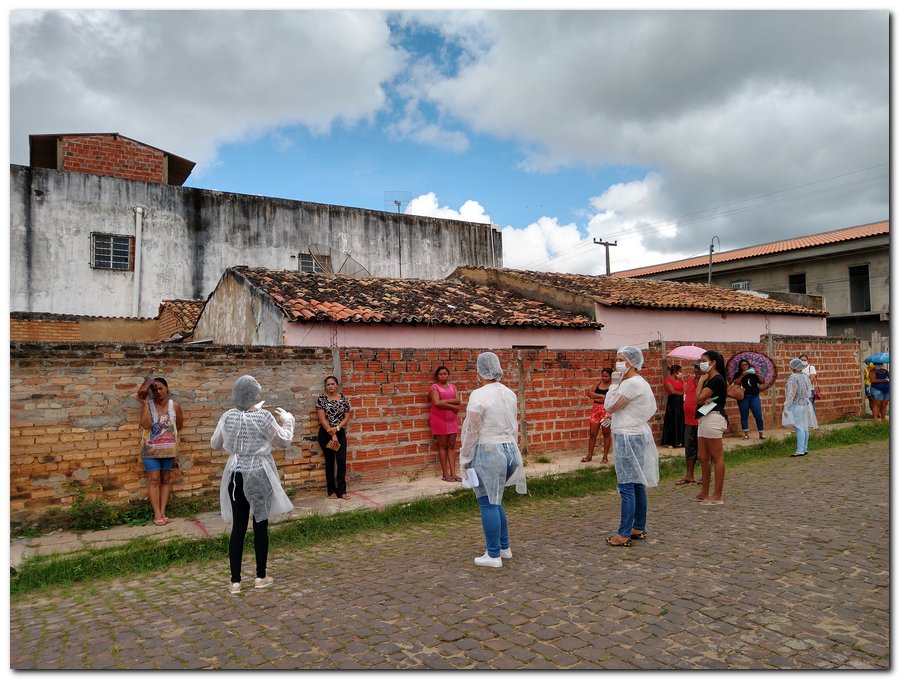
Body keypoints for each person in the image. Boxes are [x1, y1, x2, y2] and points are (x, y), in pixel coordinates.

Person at [211, 375, 295, 594]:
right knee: (260, 524)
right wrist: (288, 418)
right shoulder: (264, 417)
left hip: (235, 474)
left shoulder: (227, 416)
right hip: (259, 473)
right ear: (253, 395)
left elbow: (216, 443)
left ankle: (235, 581)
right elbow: (283, 440)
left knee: (238, 527)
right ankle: (260, 576)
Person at [459, 352, 527, 568]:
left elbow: (472, 429)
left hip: (488, 450)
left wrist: (465, 456)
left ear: (480, 370)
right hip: (509, 451)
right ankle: (504, 547)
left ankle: (493, 554)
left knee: (487, 501)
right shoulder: (509, 393)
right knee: (496, 499)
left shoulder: (479, 395)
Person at [602, 346, 660, 547]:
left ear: (632, 362)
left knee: (627, 485)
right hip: (634, 433)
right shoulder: (639, 382)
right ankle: (638, 526)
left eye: (621, 359)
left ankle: (624, 533)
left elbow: (610, 405)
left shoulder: (631, 384)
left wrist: (613, 385)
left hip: (628, 437)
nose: (617, 363)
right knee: (636, 483)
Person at [137, 377, 184, 526]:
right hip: (150, 450)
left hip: (168, 450)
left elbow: (179, 425)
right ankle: (157, 513)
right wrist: (144, 404)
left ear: (167, 389)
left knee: (165, 480)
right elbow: (145, 425)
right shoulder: (148, 405)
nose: (158, 392)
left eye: (160, 388)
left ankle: (163, 512)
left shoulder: (174, 405)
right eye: (154, 390)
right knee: (154, 479)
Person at [694, 350, 728, 506]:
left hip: (713, 417)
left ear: (713, 362)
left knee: (717, 456)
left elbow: (699, 399)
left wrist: (700, 381)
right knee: (702, 456)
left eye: (704, 360)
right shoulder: (711, 379)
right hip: (704, 417)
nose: (701, 363)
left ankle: (717, 495)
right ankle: (704, 492)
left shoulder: (715, 379)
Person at [316, 376, 353, 500]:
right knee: (330, 462)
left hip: (339, 432)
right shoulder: (322, 399)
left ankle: (342, 491)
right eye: (328, 384)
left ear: (337, 385)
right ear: (325, 386)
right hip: (326, 433)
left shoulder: (344, 399)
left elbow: (346, 417)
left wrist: (337, 429)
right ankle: (331, 491)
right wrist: (332, 434)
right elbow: (322, 419)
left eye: (332, 384)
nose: (330, 386)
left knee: (341, 461)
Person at [429, 366, 462, 482]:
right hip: (439, 419)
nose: (443, 376)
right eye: (440, 374)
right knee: (443, 446)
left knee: (451, 446)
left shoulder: (453, 387)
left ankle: (454, 473)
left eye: (445, 374)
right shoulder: (434, 387)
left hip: (452, 419)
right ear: (437, 376)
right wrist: (453, 406)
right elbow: (437, 403)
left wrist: (445, 401)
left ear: (448, 375)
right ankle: (445, 474)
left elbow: (459, 400)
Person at [676, 362, 702, 486]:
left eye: (700, 367)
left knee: (703, 450)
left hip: (701, 420)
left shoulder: (707, 381)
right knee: (689, 447)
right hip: (688, 420)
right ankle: (689, 475)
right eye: (695, 367)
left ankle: (704, 475)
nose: (697, 370)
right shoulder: (690, 379)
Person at [784, 358, 814, 457]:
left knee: (799, 427)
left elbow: (791, 393)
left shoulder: (793, 378)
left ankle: (800, 450)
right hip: (805, 404)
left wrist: (786, 406)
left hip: (796, 405)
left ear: (792, 367)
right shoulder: (805, 377)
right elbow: (809, 391)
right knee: (804, 427)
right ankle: (805, 448)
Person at [582, 368, 613, 464]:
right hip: (595, 411)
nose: (604, 378)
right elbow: (589, 393)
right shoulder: (598, 384)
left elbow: (610, 399)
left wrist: (597, 396)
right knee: (592, 433)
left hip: (606, 412)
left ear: (611, 376)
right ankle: (589, 455)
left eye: (606, 376)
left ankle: (605, 457)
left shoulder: (613, 386)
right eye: (602, 376)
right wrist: (602, 397)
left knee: (606, 434)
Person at [732, 359, 766, 440]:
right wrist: (742, 375)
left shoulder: (753, 373)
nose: (745, 366)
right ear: (740, 367)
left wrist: (757, 374)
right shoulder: (738, 374)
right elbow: (735, 383)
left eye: (746, 364)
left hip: (754, 396)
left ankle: (761, 434)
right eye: (743, 365)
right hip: (743, 397)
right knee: (744, 415)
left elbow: (762, 381)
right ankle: (746, 435)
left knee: (758, 415)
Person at [660, 365, 685, 448]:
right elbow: (673, 391)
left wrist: (684, 382)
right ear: (675, 372)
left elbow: (684, 389)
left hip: (681, 402)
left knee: (681, 420)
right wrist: (682, 393)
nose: (681, 373)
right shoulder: (667, 380)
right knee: (672, 420)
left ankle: (680, 440)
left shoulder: (681, 380)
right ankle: (671, 441)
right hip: (673, 402)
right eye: (680, 371)